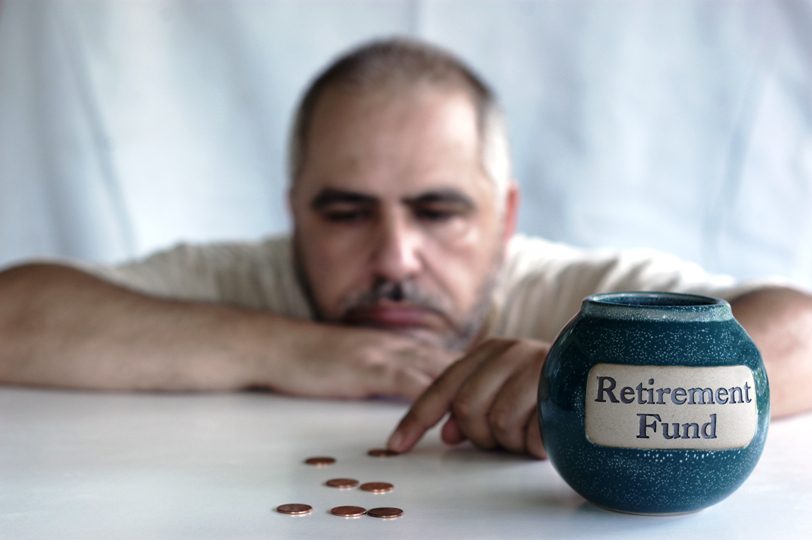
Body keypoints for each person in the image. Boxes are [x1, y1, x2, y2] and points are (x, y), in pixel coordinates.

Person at [1, 38, 811, 459]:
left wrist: (586, 372)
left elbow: (801, 331)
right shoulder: (248, 279)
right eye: (346, 213)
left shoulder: (564, 288)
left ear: (504, 218)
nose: (394, 259)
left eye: (439, 212)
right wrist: (288, 350)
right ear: (294, 213)